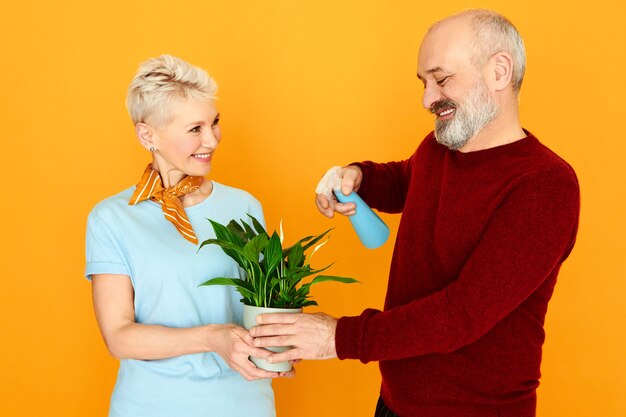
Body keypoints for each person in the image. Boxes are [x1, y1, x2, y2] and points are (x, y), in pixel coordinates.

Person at [249, 9, 580, 417]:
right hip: (395, 403)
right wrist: (359, 177)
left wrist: (339, 337)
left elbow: (463, 314)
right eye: (424, 83)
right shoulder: (438, 148)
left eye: (441, 79)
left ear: (499, 72)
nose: (427, 99)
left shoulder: (545, 185)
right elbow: (406, 180)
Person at [85, 55, 289, 417]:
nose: (211, 139)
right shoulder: (112, 218)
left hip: (244, 403)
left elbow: (264, 304)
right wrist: (212, 338)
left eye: (214, 123)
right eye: (195, 129)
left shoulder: (244, 206)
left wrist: (281, 342)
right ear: (148, 134)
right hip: (151, 406)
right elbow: (118, 335)